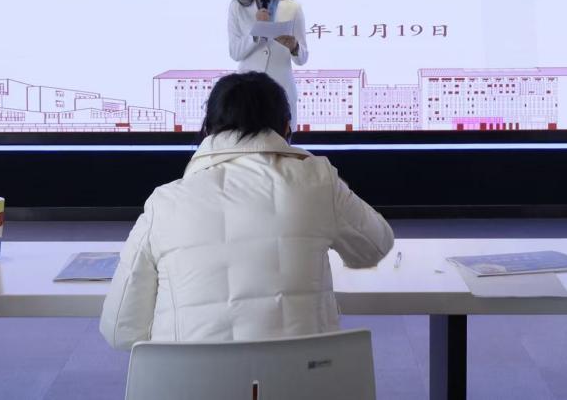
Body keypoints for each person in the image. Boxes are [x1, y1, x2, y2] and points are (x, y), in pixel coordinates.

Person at [100, 71, 393, 348]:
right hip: (302, 378)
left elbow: (120, 331)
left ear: (207, 130)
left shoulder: (164, 202)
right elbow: (375, 247)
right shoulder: (318, 180)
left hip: (193, 380)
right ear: (287, 128)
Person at [227, 0, 309, 128]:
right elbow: (235, 53)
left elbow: (303, 58)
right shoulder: (238, 7)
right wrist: (256, 31)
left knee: (280, 142)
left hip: (282, 91)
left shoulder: (293, 8)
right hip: (247, 92)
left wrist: (294, 47)